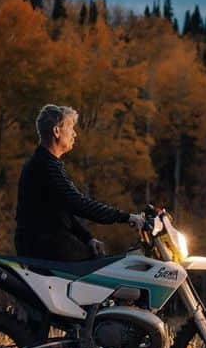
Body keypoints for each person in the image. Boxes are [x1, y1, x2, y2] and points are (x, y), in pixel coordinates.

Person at [15, 104, 128, 261]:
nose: (74, 134)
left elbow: (61, 213)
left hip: (38, 242)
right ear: (56, 131)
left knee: (98, 260)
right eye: (70, 127)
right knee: (103, 268)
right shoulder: (46, 166)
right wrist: (126, 218)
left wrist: (87, 238)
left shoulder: (43, 162)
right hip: (44, 245)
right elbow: (78, 203)